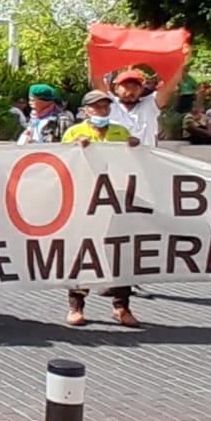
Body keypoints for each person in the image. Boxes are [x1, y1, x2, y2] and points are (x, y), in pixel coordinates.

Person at [59, 90, 143, 327]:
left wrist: (135, 147)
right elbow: (63, 162)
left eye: (105, 107)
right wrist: (76, 147)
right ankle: (76, 306)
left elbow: (135, 162)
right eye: (96, 107)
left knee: (121, 250)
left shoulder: (120, 132)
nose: (102, 111)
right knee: (84, 252)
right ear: (85, 111)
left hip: (117, 199)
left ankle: (121, 306)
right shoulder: (74, 132)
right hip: (86, 200)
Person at [104, 69, 176, 147]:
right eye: (126, 87)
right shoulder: (107, 103)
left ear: (141, 89)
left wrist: (178, 64)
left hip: (145, 154)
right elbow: (97, 78)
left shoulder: (151, 104)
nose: (130, 91)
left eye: (134, 87)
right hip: (113, 154)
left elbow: (171, 84)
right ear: (116, 88)